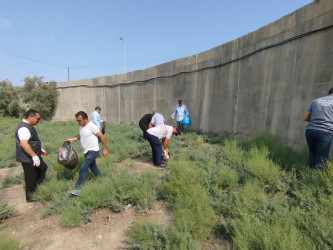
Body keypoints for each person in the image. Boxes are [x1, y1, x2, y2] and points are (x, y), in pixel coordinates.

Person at [66, 111, 108, 196]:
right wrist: (73, 138)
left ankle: (78, 189)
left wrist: (104, 149)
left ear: (86, 119)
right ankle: (101, 179)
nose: (78, 122)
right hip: (86, 151)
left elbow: (102, 136)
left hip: (93, 151)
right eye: (77, 120)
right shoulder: (82, 126)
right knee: (93, 166)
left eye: (79, 120)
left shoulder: (91, 126)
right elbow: (80, 134)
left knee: (83, 167)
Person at [15, 109, 48, 202]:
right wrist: (34, 155)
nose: (38, 121)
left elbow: (31, 141)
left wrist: (39, 149)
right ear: (30, 117)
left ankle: (36, 187)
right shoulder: (24, 128)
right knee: (30, 176)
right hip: (28, 158)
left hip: (32, 156)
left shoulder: (28, 126)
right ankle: (30, 197)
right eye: (37, 119)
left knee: (43, 168)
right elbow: (24, 144)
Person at [304, 88, 333, 170]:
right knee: (322, 159)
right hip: (325, 132)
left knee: (313, 154)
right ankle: (316, 181)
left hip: (310, 131)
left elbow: (305, 117)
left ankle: (309, 178)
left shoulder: (315, 101)